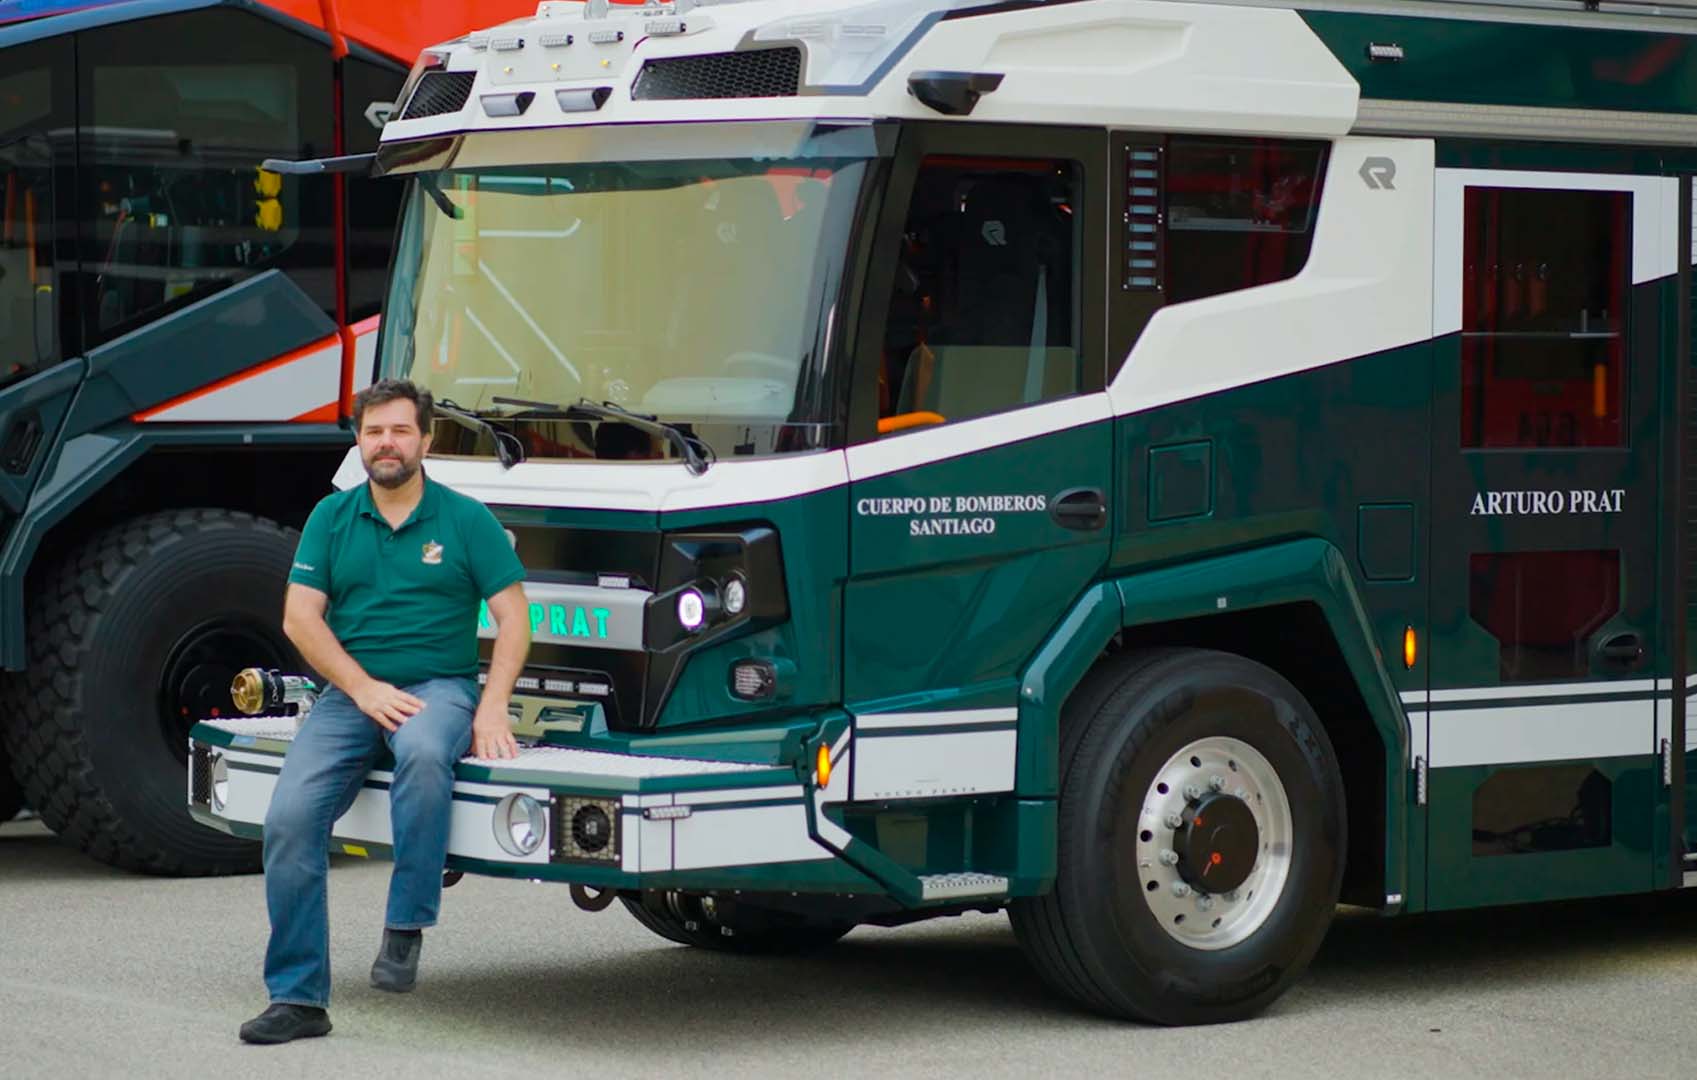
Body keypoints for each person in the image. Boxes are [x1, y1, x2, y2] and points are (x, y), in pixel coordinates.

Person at [239, 379, 531, 1045]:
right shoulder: (331, 518)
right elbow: (300, 618)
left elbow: (514, 618)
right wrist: (363, 688)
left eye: (400, 431)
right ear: (359, 440)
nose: (386, 443)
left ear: (426, 439)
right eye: (374, 432)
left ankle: (405, 926)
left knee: (425, 753)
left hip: (439, 688)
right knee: (288, 819)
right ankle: (298, 999)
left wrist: (492, 707)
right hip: (351, 694)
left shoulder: (466, 519)